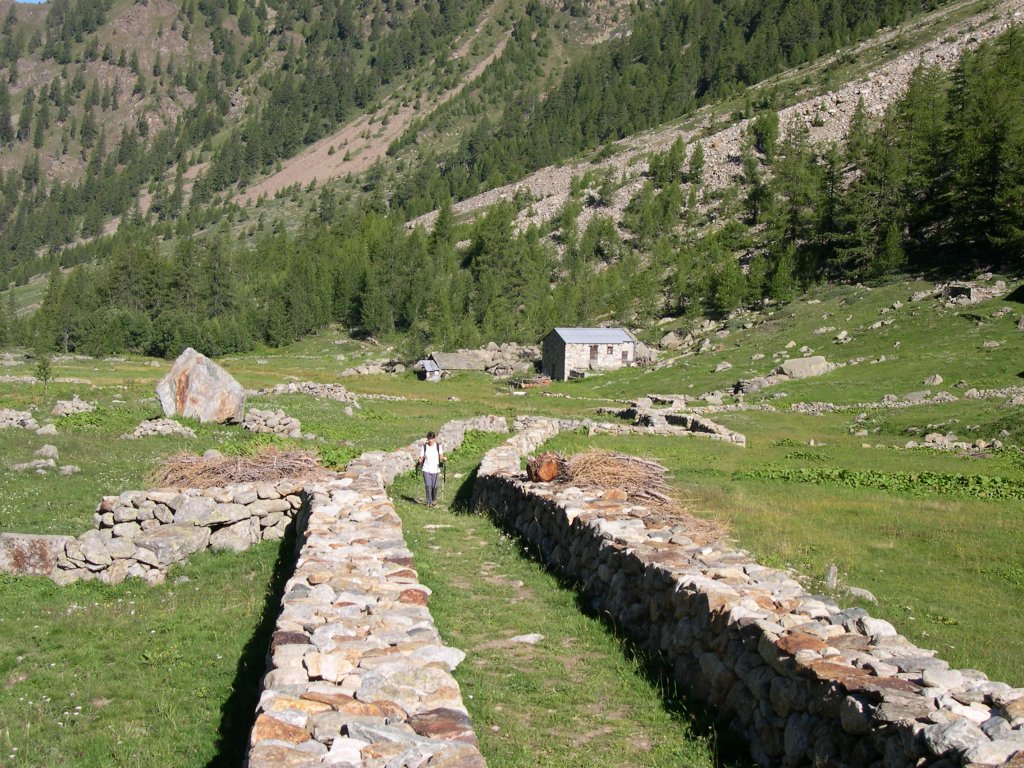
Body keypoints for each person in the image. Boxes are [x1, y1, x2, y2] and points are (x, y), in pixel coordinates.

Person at [417, 431, 446, 507]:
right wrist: (420, 460)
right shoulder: (424, 447)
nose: (430, 440)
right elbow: (421, 457)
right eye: (429, 438)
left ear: (434, 439)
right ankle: (428, 501)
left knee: (435, 486)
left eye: (432, 439)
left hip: (435, 469)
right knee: (428, 485)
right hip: (426, 469)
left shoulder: (438, 446)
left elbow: (441, 456)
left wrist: (443, 458)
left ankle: (433, 499)